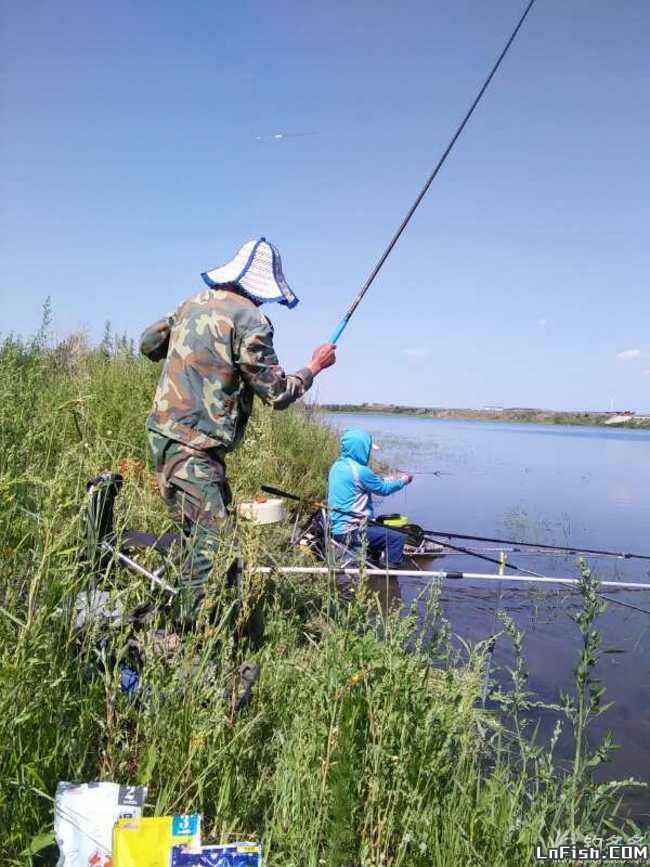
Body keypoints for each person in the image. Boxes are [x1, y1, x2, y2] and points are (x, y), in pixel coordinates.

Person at [141, 237, 336, 592]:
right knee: (215, 547)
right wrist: (314, 367)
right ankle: (189, 635)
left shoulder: (190, 303)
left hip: (163, 435)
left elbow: (147, 344)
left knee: (196, 535)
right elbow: (276, 393)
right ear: (261, 289)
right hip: (193, 448)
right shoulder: (252, 319)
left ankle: (181, 610)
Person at [327, 427, 412, 567]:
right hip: (350, 531)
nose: (369, 453)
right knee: (398, 537)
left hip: (336, 528)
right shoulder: (361, 471)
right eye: (367, 449)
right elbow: (383, 489)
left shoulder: (337, 466)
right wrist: (404, 480)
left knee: (379, 524)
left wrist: (387, 479)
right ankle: (389, 574)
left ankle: (373, 560)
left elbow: (372, 482)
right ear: (360, 448)